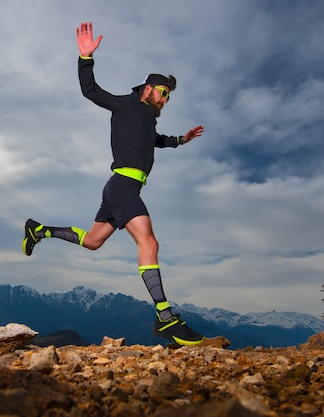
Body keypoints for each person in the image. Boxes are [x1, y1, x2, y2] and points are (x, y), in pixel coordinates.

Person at [22, 22, 205, 346]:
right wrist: (85, 57)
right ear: (149, 88)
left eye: (168, 98)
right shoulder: (125, 104)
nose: (165, 101)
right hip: (122, 186)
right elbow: (90, 91)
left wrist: (181, 139)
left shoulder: (149, 119)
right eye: (164, 94)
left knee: (93, 241)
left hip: (120, 188)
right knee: (149, 243)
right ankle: (165, 318)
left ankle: (40, 230)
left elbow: (156, 141)